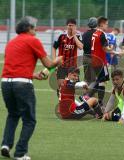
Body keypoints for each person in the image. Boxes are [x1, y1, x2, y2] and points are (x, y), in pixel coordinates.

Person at [0, 16, 62, 160]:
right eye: (35, 27)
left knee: (13, 114)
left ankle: (6, 145)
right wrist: (57, 60)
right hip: (22, 85)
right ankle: (20, 153)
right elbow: (49, 65)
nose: (37, 29)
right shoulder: (33, 40)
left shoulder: (11, 43)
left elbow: (15, 68)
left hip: (6, 83)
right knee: (29, 120)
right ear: (28, 28)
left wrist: (33, 75)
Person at [52, 18, 83, 95]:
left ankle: (72, 103)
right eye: (69, 25)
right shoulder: (61, 36)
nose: (71, 27)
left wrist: (74, 35)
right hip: (61, 66)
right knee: (61, 86)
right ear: (66, 26)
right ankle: (62, 103)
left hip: (72, 66)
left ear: (75, 26)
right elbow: (54, 48)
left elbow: (80, 47)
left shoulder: (78, 36)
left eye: (72, 26)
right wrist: (55, 62)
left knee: (75, 87)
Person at [89, 17, 113, 106]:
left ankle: (88, 96)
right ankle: (99, 102)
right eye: (106, 24)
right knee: (102, 81)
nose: (107, 26)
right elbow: (105, 49)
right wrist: (113, 49)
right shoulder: (102, 34)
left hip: (94, 61)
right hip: (101, 62)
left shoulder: (95, 33)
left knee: (102, 80)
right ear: (102, 24)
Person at [82, 17, 98, 84]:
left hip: (86, 57)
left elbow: (82, 46)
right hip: (95, 58)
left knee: (87, 78)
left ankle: (85, 93)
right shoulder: (98, 34)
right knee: (94, 80)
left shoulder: (84, 34)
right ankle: (92, 93)